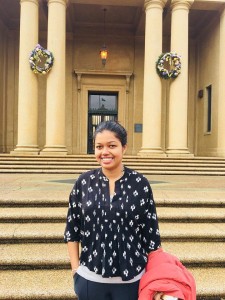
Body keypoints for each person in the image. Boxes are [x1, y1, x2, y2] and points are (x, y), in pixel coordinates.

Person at [64, 120, 161, 300]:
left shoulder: (140, 184)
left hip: (132, 282)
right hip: (89, 280)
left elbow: (152, 236)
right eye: (99, 146)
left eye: (112, 145)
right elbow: (72, 229)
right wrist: (75, 269)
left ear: (124, 148)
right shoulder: (84, 182)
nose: (105, 152)